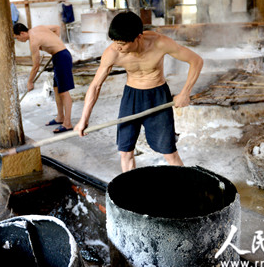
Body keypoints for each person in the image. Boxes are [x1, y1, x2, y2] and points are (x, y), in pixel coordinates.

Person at [74, 11, 203, 172]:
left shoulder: (160, 43)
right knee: (125, 152)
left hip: (158, 96)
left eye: (122, 43)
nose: (117, 47)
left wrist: (185, 93)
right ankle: (129, 192)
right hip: (132, 97)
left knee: (169, 152)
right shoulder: (113, 52)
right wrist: (83, 119)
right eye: (114, 42)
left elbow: (196, 61)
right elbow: (95, 86)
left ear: (138, 37)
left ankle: (188, 189)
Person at [13, 23, 74, 133]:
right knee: (56, 89)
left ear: (22, 33)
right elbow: (56, 27)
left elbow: (36, 65)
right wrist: (54, 43)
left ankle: (68, 123)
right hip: (59, 56)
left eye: (17, 37)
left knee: (64, 92)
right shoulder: (38, 28)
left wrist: (30, 82)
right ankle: (60, 117)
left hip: (62, 57)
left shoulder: (33, 42)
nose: (18, 40)